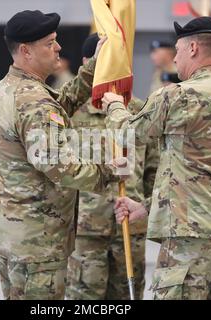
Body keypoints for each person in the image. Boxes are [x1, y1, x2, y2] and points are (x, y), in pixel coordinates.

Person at [102, 17, 211, 299]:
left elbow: (128, 134)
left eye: (177, 50)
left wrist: (115, 106)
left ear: (192, 48)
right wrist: (146, 207)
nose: (174, 58)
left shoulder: (178, 96)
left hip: (192, 237)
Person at [0, 10, 114, 300]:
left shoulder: (13, 87)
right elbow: (59, 167)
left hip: (15, 230)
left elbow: (59, 106)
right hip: (38, 240)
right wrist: (108, 171)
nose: (58, 48)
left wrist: (91, 70)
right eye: (50, 43)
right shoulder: (33, 101)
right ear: (26, 51)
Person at [65, 33, 158, 300]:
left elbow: (153, 167)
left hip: (130, 226)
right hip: (86, 230)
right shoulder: (71, 114)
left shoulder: (139, 111)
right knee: (85, 297)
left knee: (127, 296)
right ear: (88, 63)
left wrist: (148, 209)